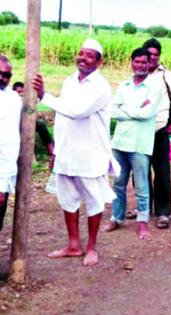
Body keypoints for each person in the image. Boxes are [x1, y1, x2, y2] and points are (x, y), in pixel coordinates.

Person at [32, 39, 118, 266]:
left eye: (89, 55)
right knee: (67, 199)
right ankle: (73, 245)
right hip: (67, 152)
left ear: (99, 62)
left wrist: (44, 96)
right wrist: (55, 150)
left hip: (90, 155)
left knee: (94, 201)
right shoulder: (70, 81)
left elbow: (78, 112)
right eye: (81, 54)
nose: (83, 58)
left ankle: (91, 247)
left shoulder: (100, 86)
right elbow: (62, 119)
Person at [102, 47, 163, 239]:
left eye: (144, 62)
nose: (140, 65)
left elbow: (147, 114)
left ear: (149, 64)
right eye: (137, 61)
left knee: (142, 186)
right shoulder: (124, 86)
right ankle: (116, 217)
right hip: (120, 142)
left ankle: (142, 223)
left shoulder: (155, 87)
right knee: (118, 184)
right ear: (132, 62)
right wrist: (135, 108)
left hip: (139, 144)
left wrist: (126, 109)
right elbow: (113, 111)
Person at [139, 38, 171, 229]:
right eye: (149, 54)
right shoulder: (138, 75)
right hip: (140, 132)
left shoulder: (166, 76)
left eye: (156, 55)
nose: (152, 58)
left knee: (162, 172)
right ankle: (145, 209)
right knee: (141, 172)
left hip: (159, 131)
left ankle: (164, 212)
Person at [0, 55, 22, 232]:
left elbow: (9, 143)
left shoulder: (13, 99)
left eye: (6, 75)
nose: (1, 77)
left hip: (3, 170)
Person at [12, 81, 55, 168]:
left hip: (26, 123)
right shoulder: (9, 99)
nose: (21, 94)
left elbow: (31, 112)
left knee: (40, 124)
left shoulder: (26, 100)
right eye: (19, 92)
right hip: (13, 124)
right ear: (13, 92)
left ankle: (52, 151)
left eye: (22, 92)